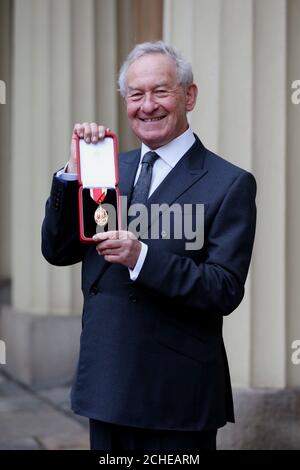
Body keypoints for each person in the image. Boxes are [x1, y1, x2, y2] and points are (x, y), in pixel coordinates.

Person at [41, 41, 257, 450]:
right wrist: (72, 172)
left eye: (161, 91)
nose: (148, 105)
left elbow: (224, 288)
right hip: (107, 384)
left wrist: (142, 258)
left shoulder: (229, 183)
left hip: (177, 394)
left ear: (189, 96)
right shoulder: (105, 168)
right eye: (136, 95)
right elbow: (57, 251)